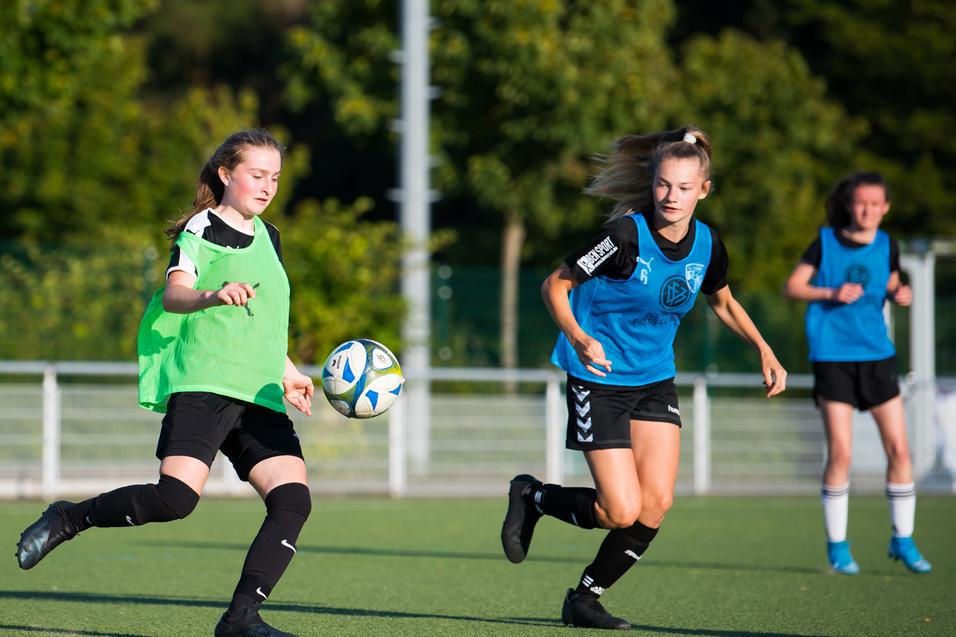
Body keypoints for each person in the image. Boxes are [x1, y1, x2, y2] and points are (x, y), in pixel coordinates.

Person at [16, 129, 316, 636]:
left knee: (293, 499)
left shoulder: (271, 236)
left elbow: (263, 319)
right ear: (226, 174)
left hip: (257, 391)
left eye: (275, 178)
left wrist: (286, 371)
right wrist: (213, 295)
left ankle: (241, 619)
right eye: (257, 175)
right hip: (206, 381)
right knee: (175, 500)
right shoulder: (202, 229)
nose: (268, 187)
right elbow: (175, 294)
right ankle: (70, 518)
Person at [501, 126, 787, 629]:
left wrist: (764, 348)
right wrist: (580, 337)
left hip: (654, 379)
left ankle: (584, 600)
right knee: (619, 509)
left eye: (682, 187)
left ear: (704, 190)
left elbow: (722, 301)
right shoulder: (622, 238)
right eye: (662, 184)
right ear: (652, 184)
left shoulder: (708, 245)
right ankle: (534, 496)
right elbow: (555, 285)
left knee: (654, 505)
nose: (670, 196)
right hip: (599, 378)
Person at [783, 170, 932, 575]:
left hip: (878, 356)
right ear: (850, 205)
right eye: (860, 202)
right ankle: (838, 546)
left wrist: (901, 294)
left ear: (885, 208)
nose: (866, 210)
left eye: (874, 204)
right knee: (842, 453)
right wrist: (829, 292)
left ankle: (902, 539)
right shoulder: (826, 243)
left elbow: (893, 284)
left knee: (899, 450)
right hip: (833, 357)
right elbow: (792, 287)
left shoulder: (888, 244)